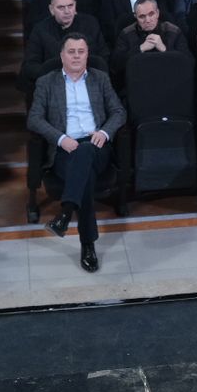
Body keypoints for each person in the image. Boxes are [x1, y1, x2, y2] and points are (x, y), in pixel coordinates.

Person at [28, 33, 125, 273]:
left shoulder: (100, 78)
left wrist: (104, 133)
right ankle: (87, 244)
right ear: (62, 55)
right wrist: (61, 139)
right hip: (65, 150)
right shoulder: (46, 82)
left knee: (87, 151)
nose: (76, 56)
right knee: (85, 177)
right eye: (71, 52)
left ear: (87, 55)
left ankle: (66, 214)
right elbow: (34, 119)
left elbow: (119, 112)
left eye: (81, 52)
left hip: (96, 146)